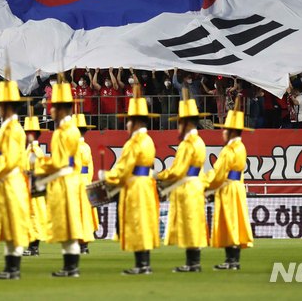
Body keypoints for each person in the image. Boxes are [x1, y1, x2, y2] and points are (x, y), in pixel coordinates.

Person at [100, 87, 160, 274]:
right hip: (146, 185)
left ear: (134, 123)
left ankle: (141, 264)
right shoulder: (148, 140)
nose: (126, 125)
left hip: (135, 186)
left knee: (136, 223)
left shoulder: (133, 143)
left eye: (128, 121)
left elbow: (124, 168)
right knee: (144, 222)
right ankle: (144, 263)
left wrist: (106, 176)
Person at [35, 80, 88, 277]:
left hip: (65, 182)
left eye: (53, 107)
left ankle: (71, 267)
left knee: (68, 224)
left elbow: (59, 162)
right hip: (67, 180)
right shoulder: (69, 130)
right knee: (67, 225)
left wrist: (39, 166)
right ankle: (70, 266)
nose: (50, 111)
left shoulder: (64, 132)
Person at [157, 96, 208, 272]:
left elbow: (177, 170)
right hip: (195, 185)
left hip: (187, 187)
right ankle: (193, 262)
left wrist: (158, 175)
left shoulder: (187, 144)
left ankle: (192, 263)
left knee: (189, 224)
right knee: (193, 223)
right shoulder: (200, 142)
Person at [0, 79, 30, 279]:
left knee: (13, 224)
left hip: (10, 180)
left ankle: (13, 268)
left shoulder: (12, 129)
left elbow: (9, 160)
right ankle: (11, 268)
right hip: (6, 180)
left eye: (0, 104)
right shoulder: (9, 127)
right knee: (9, 225)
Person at [204, 108, 254, 270]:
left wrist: (204, 185)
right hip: (237, 187)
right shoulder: (241, 147)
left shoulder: (228, 150)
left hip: (227, 188)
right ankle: (233, 260)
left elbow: (218, 173)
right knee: (235, 222)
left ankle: (231, 261)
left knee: (229, 223)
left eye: (225, 130)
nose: (222, 132)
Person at [22, 110, 48, 257]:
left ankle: (34, 247)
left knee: (34, 217)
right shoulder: (32, 150)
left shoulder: (34, 151)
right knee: (31, 217)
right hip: (30, 188)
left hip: (32, 188)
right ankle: (32, 246)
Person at [73, 112, 97, 255]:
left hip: (76, 183)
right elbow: (91, 168)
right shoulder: (86, 147)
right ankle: (84, 246)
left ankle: (78, 244)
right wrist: (88, 181)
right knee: (86, 214)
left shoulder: (74, 147)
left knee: (76, 213)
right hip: (85, 181)